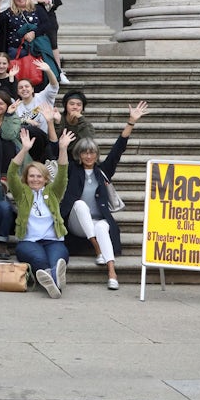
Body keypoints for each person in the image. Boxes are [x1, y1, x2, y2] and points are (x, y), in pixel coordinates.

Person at [61, 102, 147, 291]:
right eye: (85, 152)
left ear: (96, 154)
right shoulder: (72, 171)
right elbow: (59, 160)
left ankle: (112, 273)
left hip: (98, 220)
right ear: (79, 154)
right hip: (76, 224)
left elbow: (118, 150)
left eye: (92, 152)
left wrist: (131, 122)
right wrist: (61, 145)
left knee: (101, 226)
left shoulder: (103, 172)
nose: (89, 156)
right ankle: (96, 247)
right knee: (80, 205)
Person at [9, 128, 72, 299]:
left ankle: (51, 277)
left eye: (39, 176)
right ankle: (53, 279)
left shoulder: (53, 192)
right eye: (32, 176)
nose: (35, 179)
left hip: (53, 241)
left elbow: (63, 174)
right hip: (29, 241)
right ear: (26, 178)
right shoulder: (21, 193)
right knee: (38, 258)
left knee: (58, 260)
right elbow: (11, 173)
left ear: (45, 179)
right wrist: (24, 150)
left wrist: (63, 149)